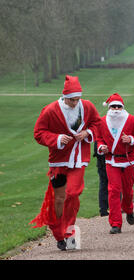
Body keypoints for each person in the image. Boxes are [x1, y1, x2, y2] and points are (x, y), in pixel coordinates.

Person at [30, 75, 102, 251]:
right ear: (64, 97)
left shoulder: (87, 106)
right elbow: (39, 133)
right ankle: (58, 233)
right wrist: (56, 138)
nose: (75, 103)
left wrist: (87, 133)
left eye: (78, 99)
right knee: (59, 199)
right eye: (72, 100)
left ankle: (69, 234)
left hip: (78, 159)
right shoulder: (50, 110)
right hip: (58, 162)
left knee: (73, 193)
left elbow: (98, 124)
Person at [95, 93, 134, 234]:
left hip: (129, 160)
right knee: (113, 190)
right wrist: (101, 147)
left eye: (119, 106)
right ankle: (116, 223)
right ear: (109, 107)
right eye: (113, 106)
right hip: (111, 161)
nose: (116, 109)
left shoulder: (131, 120)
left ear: (123, 107)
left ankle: (129, 209)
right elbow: (98, 138)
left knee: (128, 191)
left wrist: (130, 139)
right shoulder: (102, 122)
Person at [93, 141, 109, 217]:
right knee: (104, 184)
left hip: (105, 161)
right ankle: (103, 209)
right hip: (103, 162)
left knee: (105, 185)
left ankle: (104, 209)